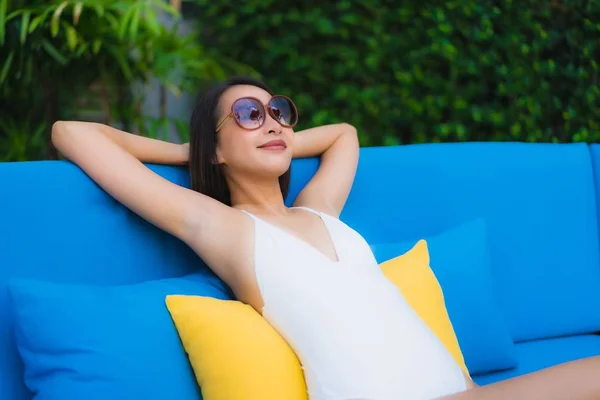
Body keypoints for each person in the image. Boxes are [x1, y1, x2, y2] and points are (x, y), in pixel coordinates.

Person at [52, 76, 600, 400]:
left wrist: (261, 136)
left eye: (280, 112)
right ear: (215, 149)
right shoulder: (223, 227)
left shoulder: (320, 210)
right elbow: (71, 133)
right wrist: (191, 152)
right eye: (248, 114)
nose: (273, 123)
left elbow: (344, 134)